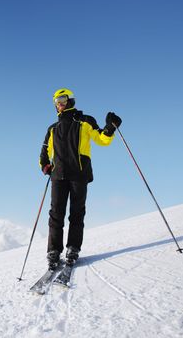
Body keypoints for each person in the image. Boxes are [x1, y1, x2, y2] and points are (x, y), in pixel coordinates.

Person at [39, 88, 122, 270]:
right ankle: (53, 251)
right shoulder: (53, 128)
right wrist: (45, 165)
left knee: (77, 213)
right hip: (58, 176)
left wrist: (110, 128)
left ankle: (73, 248)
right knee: (56, 214)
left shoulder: (85, 121)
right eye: (55, 101)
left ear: (70, 100)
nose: (58, 104)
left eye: (62, 99)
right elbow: (45, 151)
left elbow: (101, 139)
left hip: (79, 174)